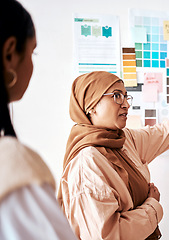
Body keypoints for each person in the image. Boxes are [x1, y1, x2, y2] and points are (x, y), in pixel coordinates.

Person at [57, 71, 169, 240]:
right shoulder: (87, 164)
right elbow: (109, 235)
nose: (126, 105)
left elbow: (162, 133)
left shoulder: (123, 140)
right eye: (116, 96)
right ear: (90, 106)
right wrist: (152, 205)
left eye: (126, 96)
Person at [0, 1, 77, 239]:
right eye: (32, 52)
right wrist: (151, 207)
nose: (125, 103)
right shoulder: (12, 164)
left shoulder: (127, 142)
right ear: (10, 53)